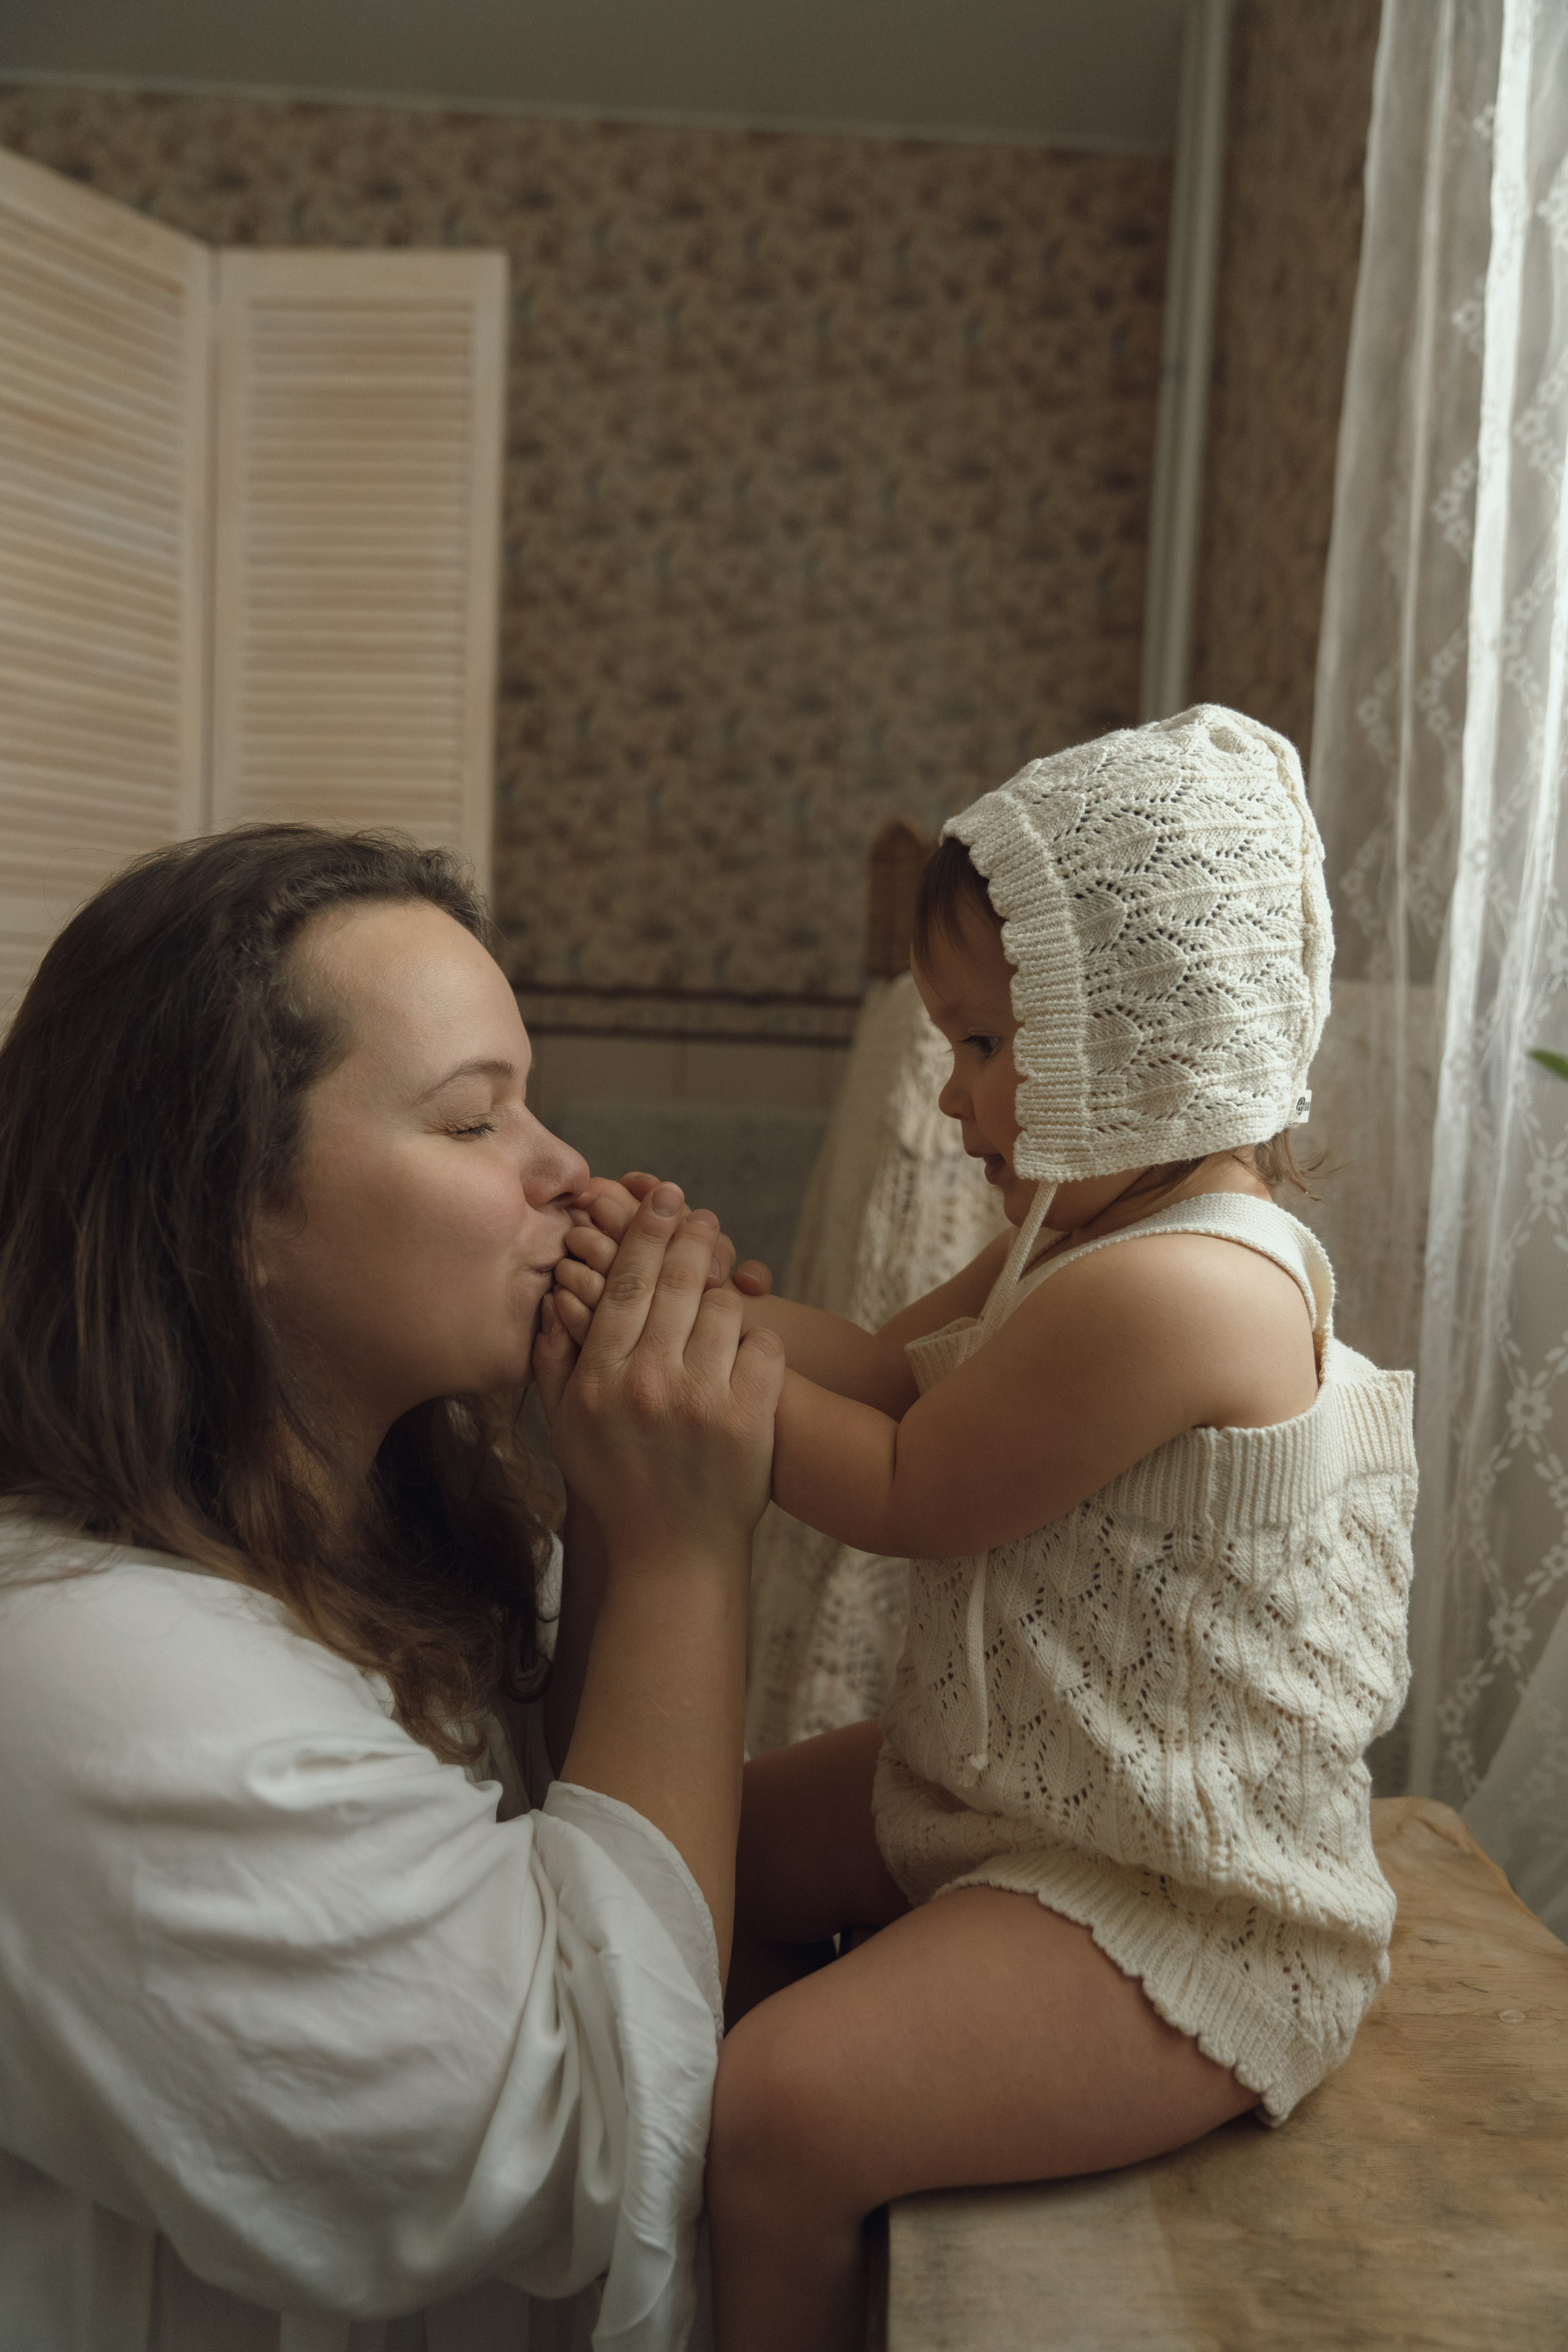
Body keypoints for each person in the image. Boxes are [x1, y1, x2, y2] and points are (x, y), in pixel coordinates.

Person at [554, 706, 1417, 2352]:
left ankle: (782, 2237)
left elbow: (910, 1491)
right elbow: (883, 1373)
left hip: (1180, 1892)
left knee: (781, 2110)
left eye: (987, 1049)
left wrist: (683, 1362)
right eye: (957, 1044)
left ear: (1146, 1035)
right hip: (1015, 1790)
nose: (954, 1100)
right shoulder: (1071, 1234)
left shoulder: (1189, 1284)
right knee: (689, 1870)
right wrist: (688, 1287)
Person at [0, 824, 784, 2352]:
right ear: (227, 1210)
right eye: (471, 1120)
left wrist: (623, 1517)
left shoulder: (416, 1515)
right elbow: (583, 2159)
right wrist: (694, 1552)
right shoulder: (88, 1664)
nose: (566, 1169)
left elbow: (585, 1860)